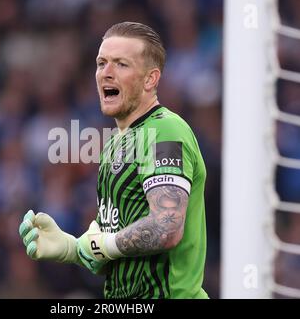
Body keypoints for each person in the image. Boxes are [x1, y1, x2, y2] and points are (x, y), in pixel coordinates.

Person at [19, 21, 208, 299]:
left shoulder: (166, 130)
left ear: (150, 79)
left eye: (121, 64)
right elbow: (117, 245)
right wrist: (73, 249)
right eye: (101, 63)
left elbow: (167, 226)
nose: (106, 73)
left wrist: (102, 245)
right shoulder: (114, 145)